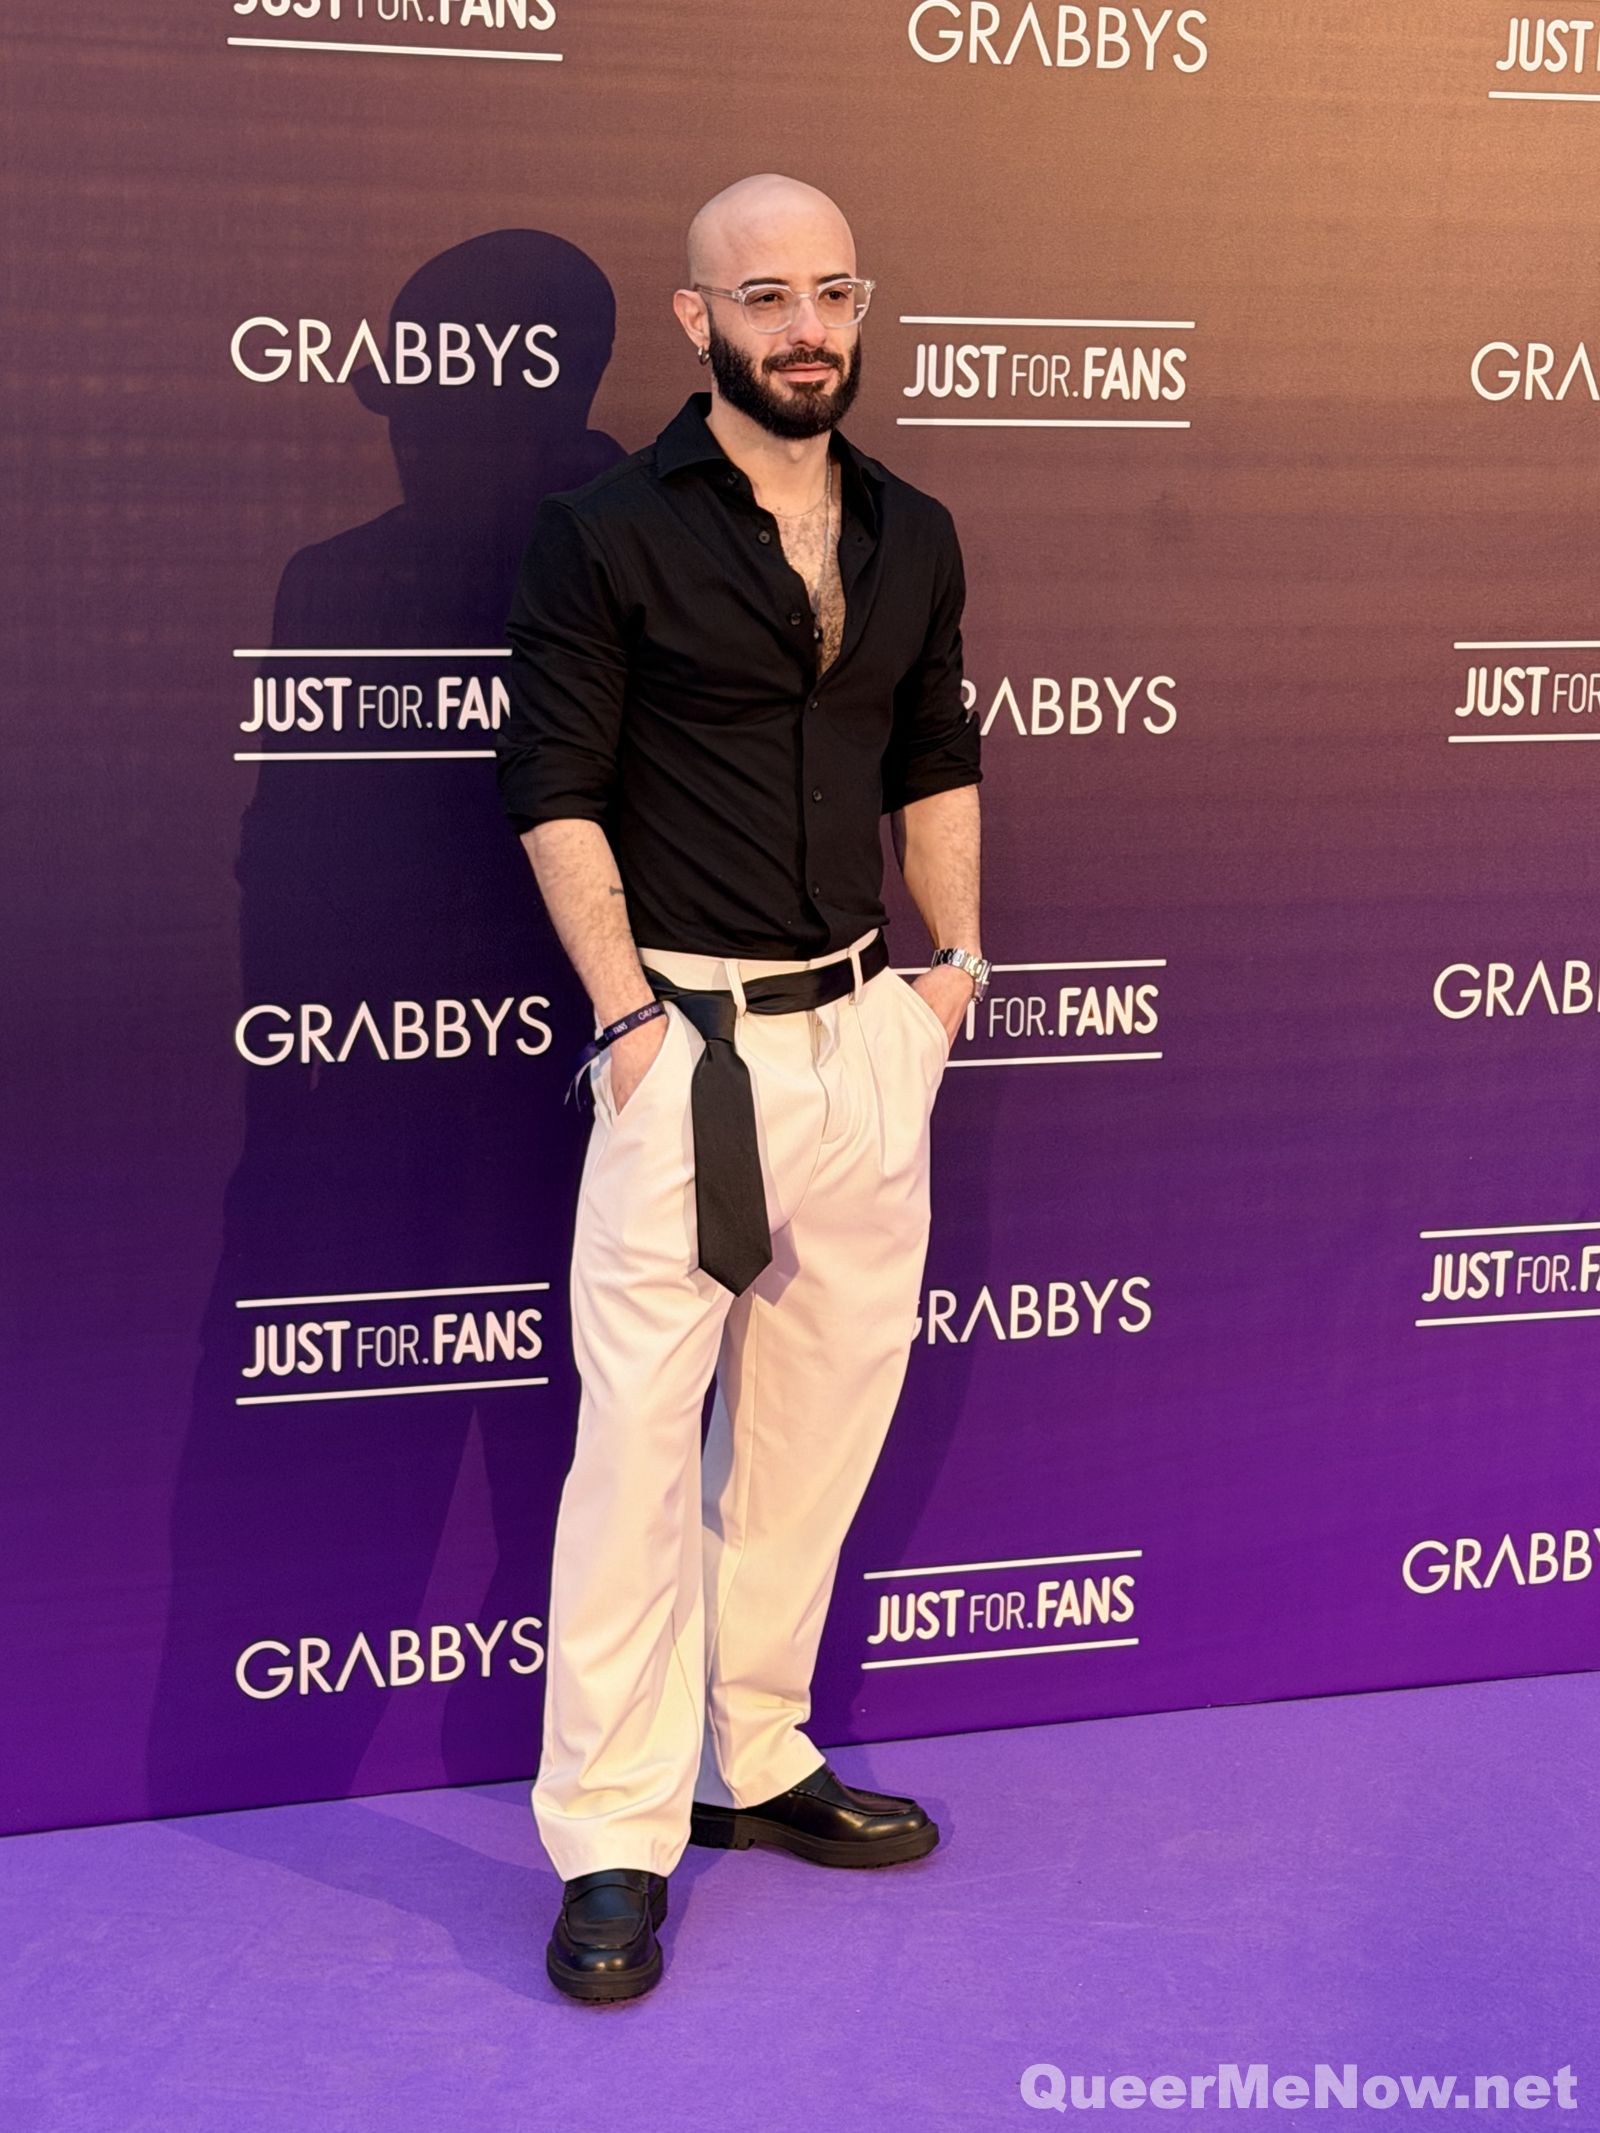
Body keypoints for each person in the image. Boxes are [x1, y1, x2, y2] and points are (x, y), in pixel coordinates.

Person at [495, 171, 989, 2003]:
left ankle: (752, 1752)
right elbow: (554, 785)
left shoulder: (914, 526)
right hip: (688, 1046)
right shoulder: (604, 532)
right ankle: (611, 1836)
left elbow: (932, 747)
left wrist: (954, 969)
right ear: (696, 319)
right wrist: (628, 1018)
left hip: (865, 1033)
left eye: (833, 292)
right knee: (637, 1453)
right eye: (765, 296)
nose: (807, 328)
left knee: (814, 1428)